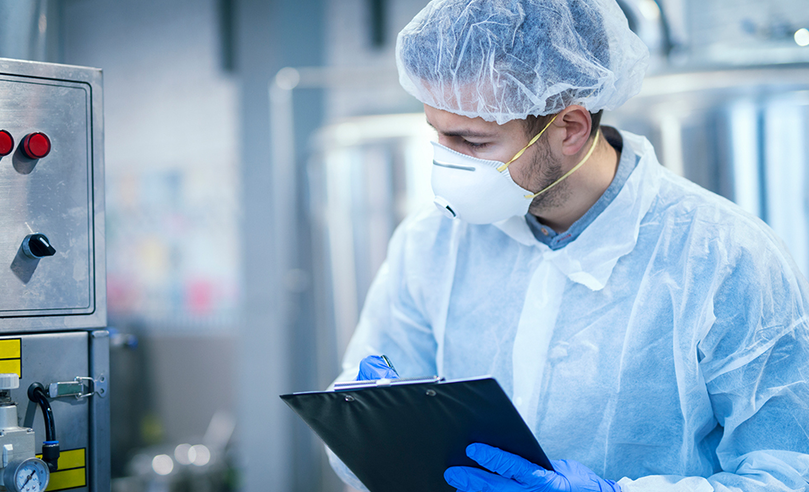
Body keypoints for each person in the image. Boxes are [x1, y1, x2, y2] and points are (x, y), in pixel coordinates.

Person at [329, 0, 809, 491]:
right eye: (437, 134)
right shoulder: (432, 241)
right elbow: (364, 432)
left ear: (570, 128)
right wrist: (363, 419)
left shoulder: (725, 258)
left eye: (472, 143)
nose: (445, 166)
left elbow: (788, 474)